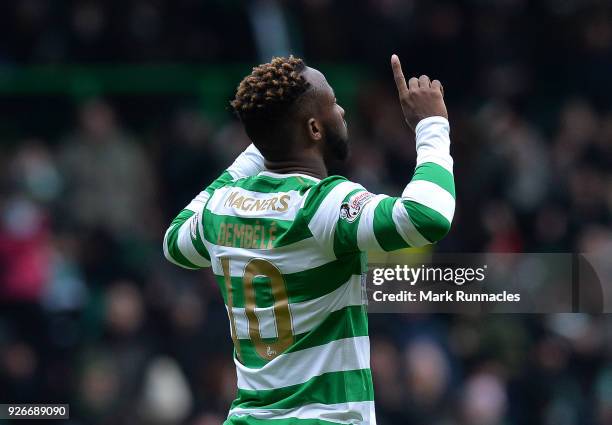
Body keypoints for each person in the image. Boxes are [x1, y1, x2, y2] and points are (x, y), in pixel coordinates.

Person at [163, 54, 455, 424]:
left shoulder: (221, 207)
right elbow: (427, 216)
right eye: (333, 103)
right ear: (315, 129)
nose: (343, 111)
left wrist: (263, 139)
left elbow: (175, 242)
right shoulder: (320, 205)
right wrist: (432, 126)